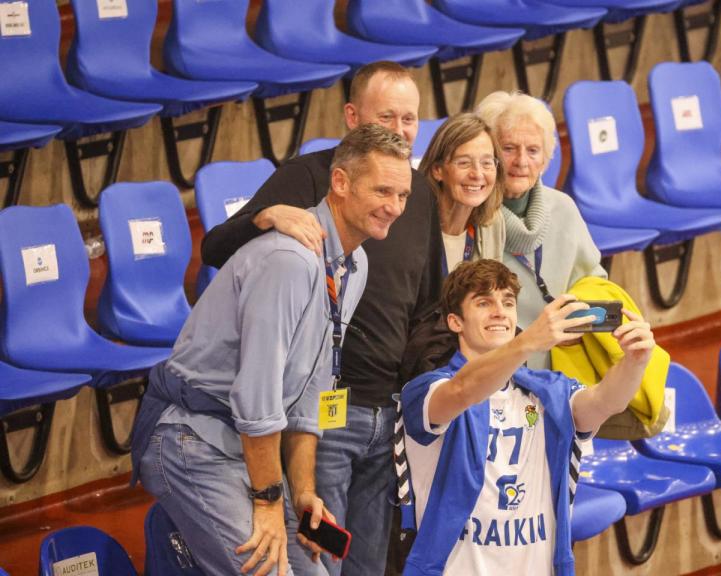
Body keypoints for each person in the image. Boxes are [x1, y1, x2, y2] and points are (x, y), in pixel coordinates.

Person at [131, 124, 413, 576]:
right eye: (383, 191)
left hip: (247, 452)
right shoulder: (290, 260)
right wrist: (268, 500)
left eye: (402, 195)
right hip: (193, 444)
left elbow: (311, 393)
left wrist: (301, 493)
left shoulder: (352, 265)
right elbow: (257, 398)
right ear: (340, 182)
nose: (395, 207)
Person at [199, 61, 442, 576]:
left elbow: (426, 303)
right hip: (325, 413)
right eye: (387, 117)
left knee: (367, 565)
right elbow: (217, 248)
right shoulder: (308, 176)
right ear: (352, 116)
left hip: (387, 410)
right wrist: (265, 217)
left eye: (410, 119)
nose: (399, 130)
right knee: (317, 564)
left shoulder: (417, 191)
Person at [400, 259, 656, 575]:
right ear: (455, 322)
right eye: (483, 302)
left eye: (508, 302)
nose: (499, 311)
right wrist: (528, 342)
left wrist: (635, 362)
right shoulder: (426, 389)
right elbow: (463, 390)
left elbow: (604, 403)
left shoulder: (548, 390)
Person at [475, 91, 606, 369]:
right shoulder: (471, 215)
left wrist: (579, 322)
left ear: (546, 159)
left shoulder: (564, 208)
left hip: (560, 363)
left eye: (533, 150)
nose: (521, 161)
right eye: (508, 148)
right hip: (492, 366)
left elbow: (595, 284)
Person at [418, 113, 507, 275]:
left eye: (487, 163)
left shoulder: (492, 223)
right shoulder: (411, 226)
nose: (478, 174)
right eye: (464, 163)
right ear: (437, 170)